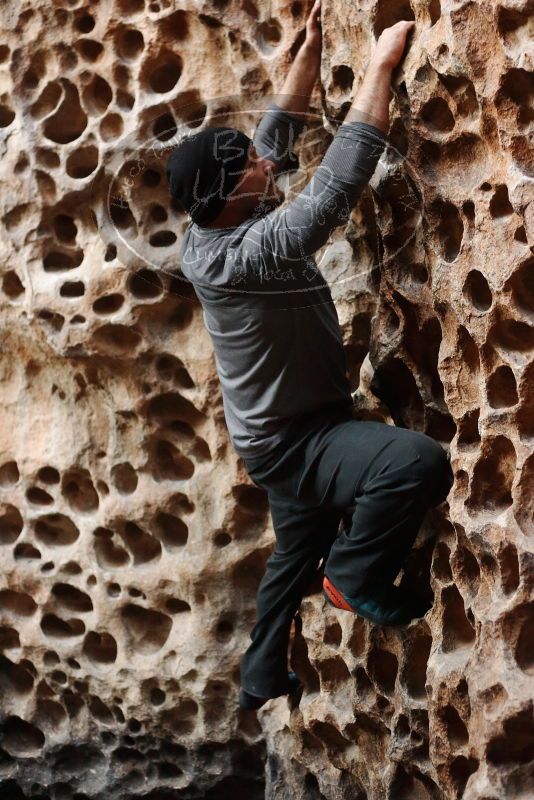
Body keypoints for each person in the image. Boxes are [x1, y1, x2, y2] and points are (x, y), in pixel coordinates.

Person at [165, 2, 453, 711]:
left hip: (273, 437)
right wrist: (382, 64)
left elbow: (272, 134)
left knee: (294, 549)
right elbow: (336, 185)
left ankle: (261, 673)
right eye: (252, 170)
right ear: (231, 199)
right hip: (298, 439)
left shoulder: (222, 217)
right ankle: (353, 579)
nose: (267, 164)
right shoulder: (245, 255)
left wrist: (308, 54)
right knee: (416, 463)